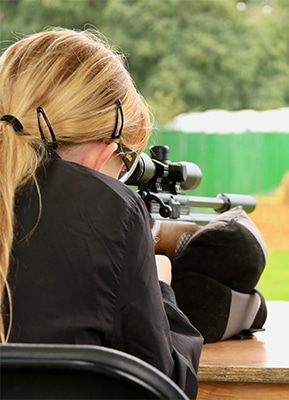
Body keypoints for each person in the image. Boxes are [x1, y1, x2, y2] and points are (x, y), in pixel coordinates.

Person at [0, 28, 203, 398]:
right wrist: (159, 290)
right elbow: (166, 385)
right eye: (126, 165)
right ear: (102, 150)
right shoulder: (109, 209)